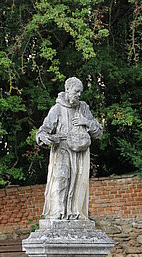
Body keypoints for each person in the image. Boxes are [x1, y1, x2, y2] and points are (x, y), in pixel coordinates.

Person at [36, 77, 102, 220]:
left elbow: (98, 132)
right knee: (61, 178)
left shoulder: (83, 108)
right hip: (62, 148)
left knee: (78, 182)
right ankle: (58, 212)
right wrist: (43, 137)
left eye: (80, 92)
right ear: (67, 90)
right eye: (76, 91)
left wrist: (86, 122)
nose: (79, 95)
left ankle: (75, 213)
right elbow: (43, 130)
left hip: (79, 152)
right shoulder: (57, 109)